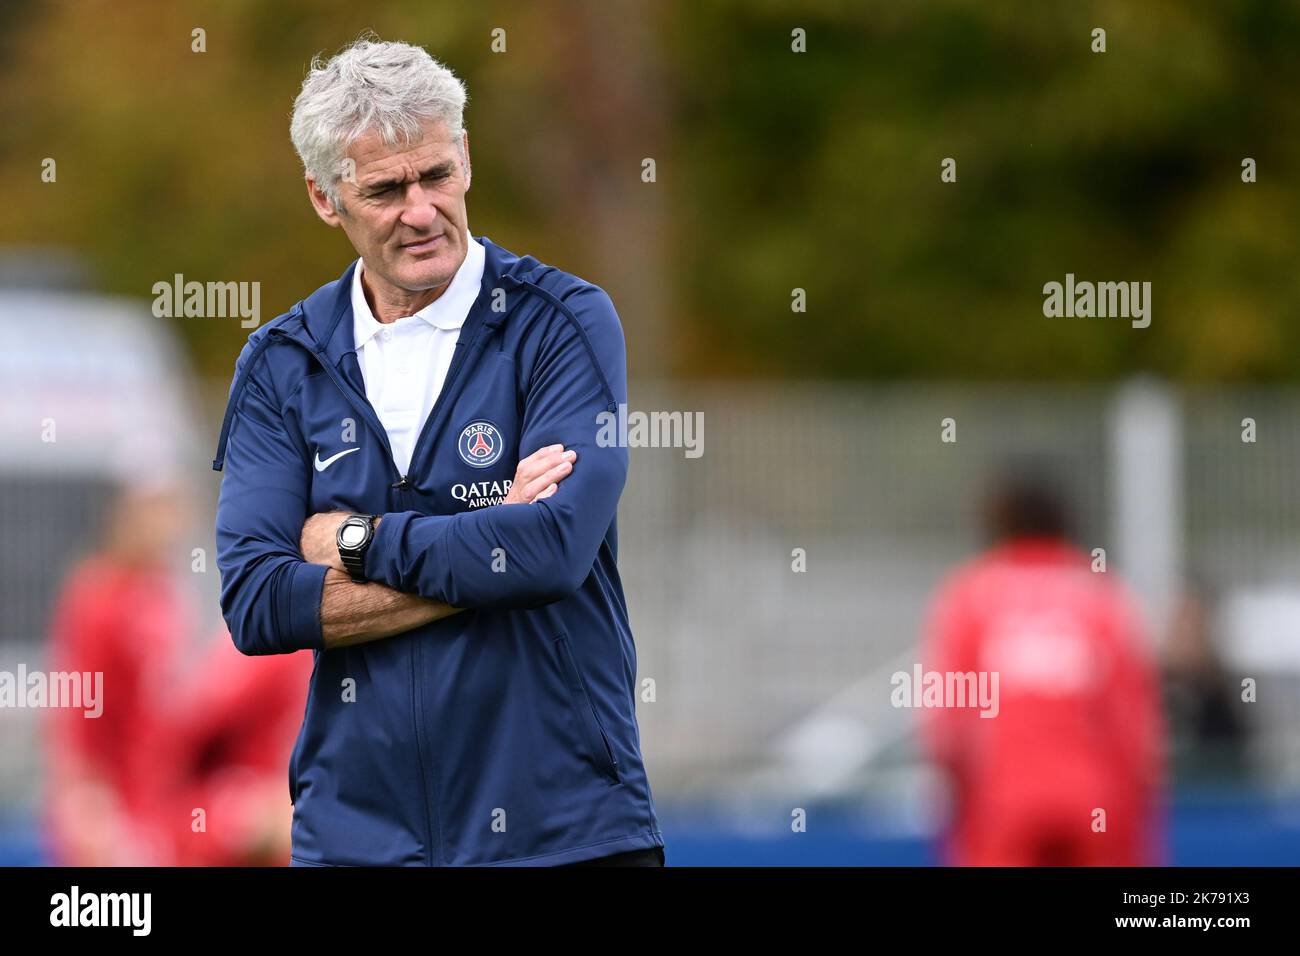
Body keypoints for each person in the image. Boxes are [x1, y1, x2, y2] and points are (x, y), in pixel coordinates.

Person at [211, 37, 663, 866]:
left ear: (465, 157)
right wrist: (489, 553)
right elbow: (256, 601)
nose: (422, 211)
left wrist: (353, 540)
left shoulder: (563, 322)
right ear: (324, 196)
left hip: (560, 834)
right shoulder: (282, 361)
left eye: (437, 176)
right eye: (386, 189)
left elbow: (555, 553)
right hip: (356, 839)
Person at [918, 469, 1165, 866]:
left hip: (1004, 805)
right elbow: (1135, 730)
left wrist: (958, 827)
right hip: (1094, 803)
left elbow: (949, 729)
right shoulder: (1102, 596)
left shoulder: (970, 597)